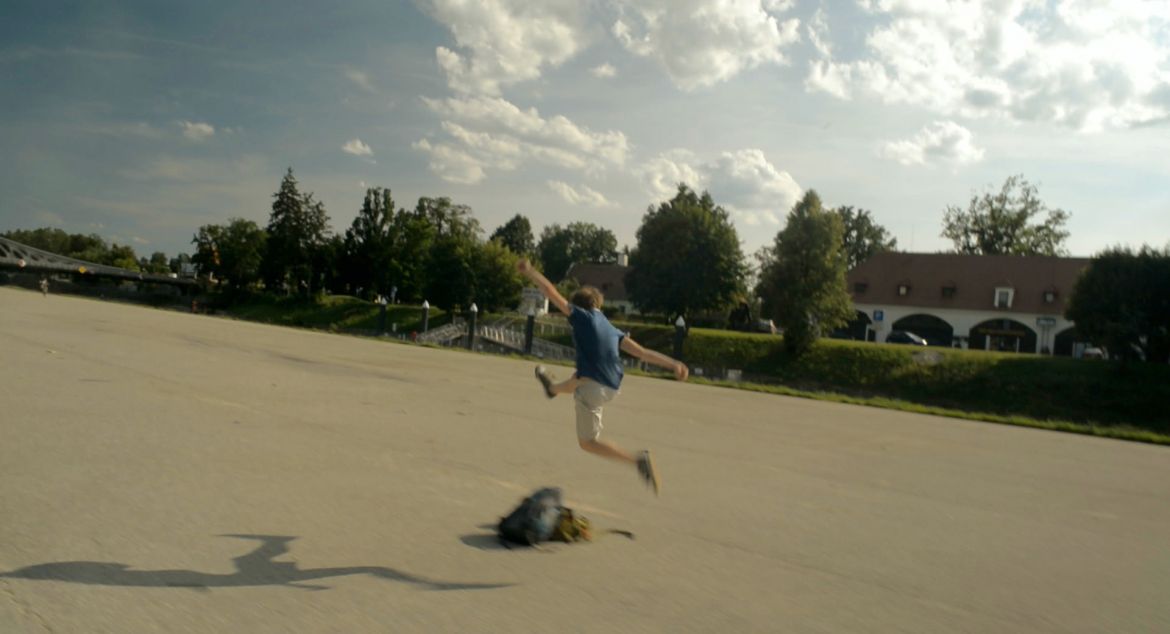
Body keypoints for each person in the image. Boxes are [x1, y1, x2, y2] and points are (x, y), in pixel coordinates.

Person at [517, 259, 688, 495]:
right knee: (578, 378)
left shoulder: (581, 316)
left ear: (579, 307)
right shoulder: (610, 328)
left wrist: (530, 272)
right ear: (598, 305)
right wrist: (673, 363)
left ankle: (636, 461)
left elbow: (550, 292)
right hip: (612, 386)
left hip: (593, 388)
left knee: (587, 442)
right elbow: (642, 353)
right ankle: (552, 388)